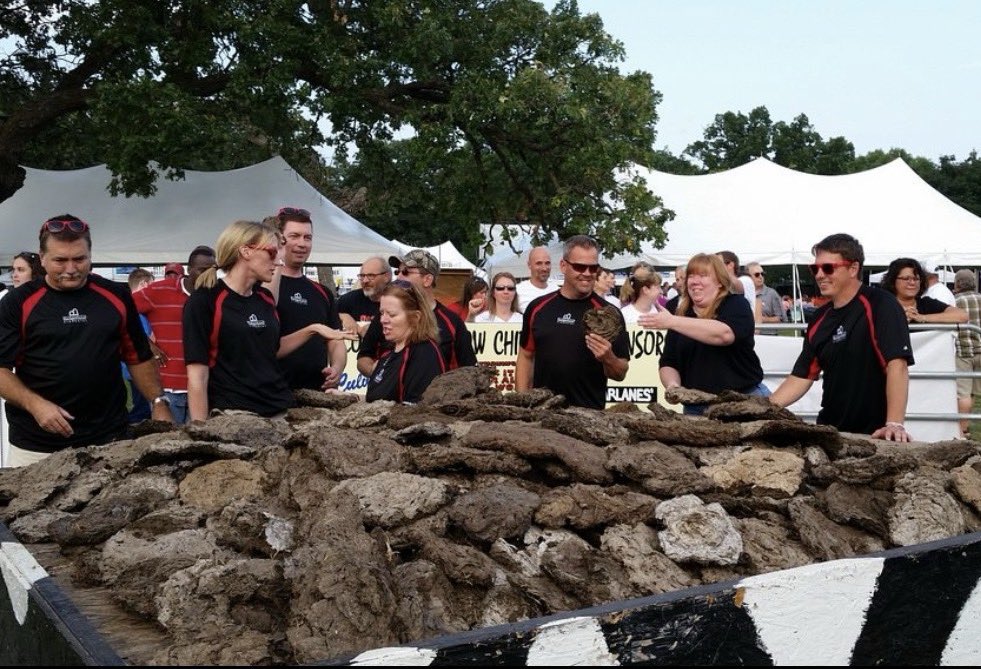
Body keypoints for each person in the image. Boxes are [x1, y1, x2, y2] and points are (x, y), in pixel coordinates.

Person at [0, 214, 173, 467]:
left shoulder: (116, 295)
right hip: (36, 444)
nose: (71, 269)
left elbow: (138, 357)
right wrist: (35, 404)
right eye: (60, 260)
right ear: (43, 258)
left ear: (90, 256)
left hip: (108, 439)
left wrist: (158, 402)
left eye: (79, 259)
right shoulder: (17, 302)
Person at [183, 220, 355, 422]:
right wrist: (200, 430)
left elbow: (270, 350)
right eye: (272, 253)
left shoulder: (263, 298)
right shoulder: (205, 300)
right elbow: (197, 377)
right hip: (233, 415)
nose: (279, 262)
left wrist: (313, 329)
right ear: (246, 252)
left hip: (279, 408)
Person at [769, 233, 914, 441]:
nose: (819, 275)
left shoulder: (881, 304)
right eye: (815, 268)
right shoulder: (819, 317)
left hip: (874, 434)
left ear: (853, 269)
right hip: (831, 431)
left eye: (828, 268)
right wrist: (763, 408)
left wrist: (894, 424)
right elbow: (802, 376)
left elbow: (897, 365)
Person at [638, 254, 767, 415]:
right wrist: (673, 385)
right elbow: (669, 361)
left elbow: (724, 335)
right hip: (696, 406)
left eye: (703, 276)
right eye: (691, 276)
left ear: (719, 282)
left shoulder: (736, 304)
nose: (695, 281)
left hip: (745, 401)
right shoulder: (680, 315)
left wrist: (672, 322)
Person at [516, 235, 629, 409]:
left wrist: (608, 358)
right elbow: (526, 356)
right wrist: (521, 404)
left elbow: (620, 372)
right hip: (542, 416)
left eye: (593, 268)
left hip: (589, 418)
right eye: (579, 267)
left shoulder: (609, 314)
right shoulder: (538, 308)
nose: (587, 273)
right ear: (563, 266)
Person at [265, 206, 348, 391]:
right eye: (294, 236)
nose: (302, 244)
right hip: (271, 394)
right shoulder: (263, 286)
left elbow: (335, 340)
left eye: (307, 237)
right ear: (279, 240)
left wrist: (337, 368)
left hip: (315, 395)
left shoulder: (322, 292)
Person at [132, 245, 216, 424]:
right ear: (189, 269)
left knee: (200, 445)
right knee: (170, 445)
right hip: (169, 388)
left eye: (212, 270)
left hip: (204, 388)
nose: (207, 275)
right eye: (202, 270)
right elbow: (122, 311)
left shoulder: (214, 295)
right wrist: (148, 344)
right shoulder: (160, 290)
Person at [357, 249, 476, 376]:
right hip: (391, 394)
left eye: (406, 272)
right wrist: (376, 371)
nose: (399, 277)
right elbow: (364, 357)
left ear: (427, 280)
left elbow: (468, 368)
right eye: (398, 271)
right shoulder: (384, 316)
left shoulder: (452, 322)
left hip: (438, 393)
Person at [365, 280, 446, 403]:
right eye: (381, 313)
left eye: (391, 315)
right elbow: (373, 401)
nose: (383, 320)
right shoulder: (388, 354)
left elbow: (417, 409)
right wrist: (348, 398)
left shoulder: (424, 353)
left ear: (415, 317)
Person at [880, 258, 968, 326]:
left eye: (916, 279)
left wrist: (922, 317)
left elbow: (962, 315)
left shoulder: (926, 303)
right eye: (906, 278)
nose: (912, 282)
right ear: (893, 280)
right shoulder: (883, 304)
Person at [123, 268, 156, 423]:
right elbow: (142, 338)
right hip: (137, 368)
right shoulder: (137, 310)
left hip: (127, 368)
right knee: (142, 409)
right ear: (144, 284)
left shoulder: (126, 306)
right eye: (152, 284)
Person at [954, 269, 981, 438]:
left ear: (957, 284)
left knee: (963, 393)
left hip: (963, 351)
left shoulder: (954, 302)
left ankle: (963, 430)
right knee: (976, 393)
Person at [337, 255, 392, 336]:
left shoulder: (399, 300)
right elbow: (326, 315)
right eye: (362, 276)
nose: (365, 280)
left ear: (387, 277)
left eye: (371, 276)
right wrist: (342, 316)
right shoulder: (349, 300)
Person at [717, 250, 761, 324]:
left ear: (730, 265)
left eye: (718, 264)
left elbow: (736, 287)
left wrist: (721, 272)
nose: (715, 267)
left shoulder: (746, 280)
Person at [746, 261, 786, 331]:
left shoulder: (772, 293)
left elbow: (781, 318)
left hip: (767, 336)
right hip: (747, 336)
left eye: (762, 274)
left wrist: (762, 319)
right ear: (748, 277)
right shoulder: (743, 293)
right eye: (757, 274)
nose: (761, 277)